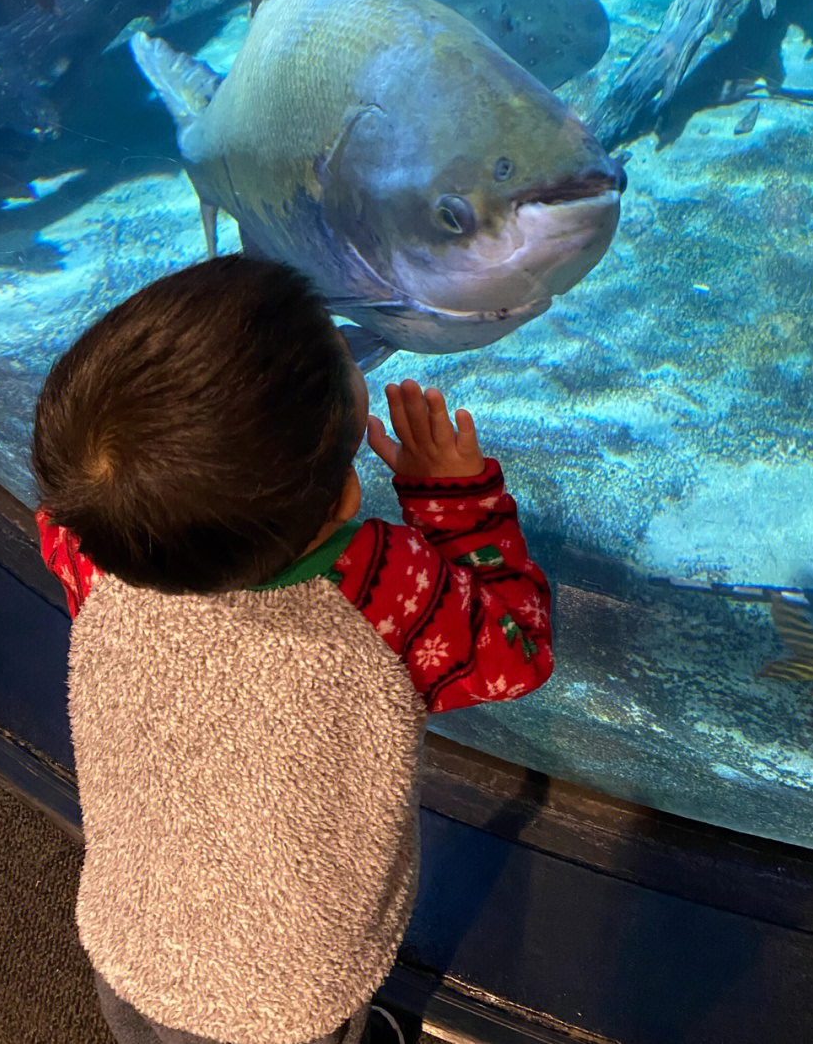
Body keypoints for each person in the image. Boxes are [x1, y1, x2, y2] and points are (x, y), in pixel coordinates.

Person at [33, 255, 553, 1044]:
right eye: (339, 346)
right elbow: (516, 651)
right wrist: (454, 498)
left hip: (131, 947)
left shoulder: (97, 550)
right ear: (348, 496)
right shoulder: (381, 587)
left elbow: (65, 516)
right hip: (287, 997)